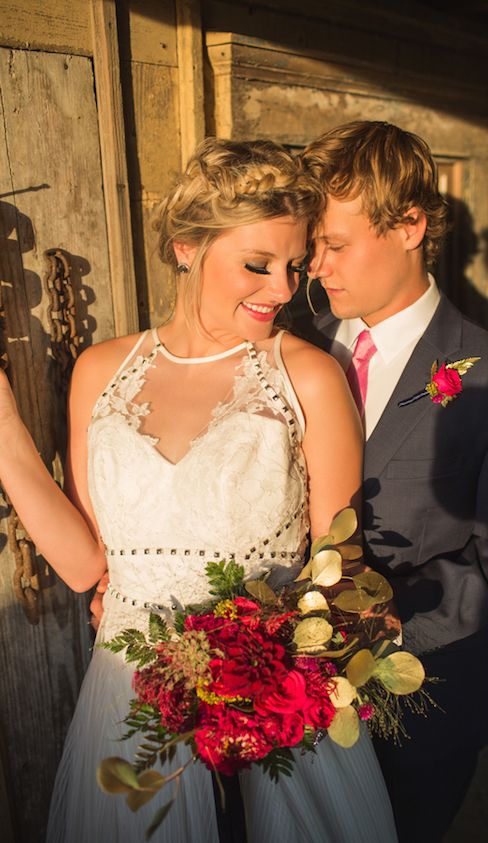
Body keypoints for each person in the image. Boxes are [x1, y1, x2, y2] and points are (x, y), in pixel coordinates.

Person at [0, 138, 399, 843]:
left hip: (270, 704)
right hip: (129, 694)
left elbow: (340, 568)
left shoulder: (309, 377)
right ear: (187, 246)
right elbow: (88, 566)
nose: (281, 288)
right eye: (257, 264)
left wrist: (265, 674)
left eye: (293, 266)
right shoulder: (100, 371)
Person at [299, 120, 488, 842]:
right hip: (279, 704)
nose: (317, 265)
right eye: (312, 244)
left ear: (410, 224)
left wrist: (392, 623)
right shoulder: (292, 341)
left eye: (337, 244)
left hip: (415, 719)